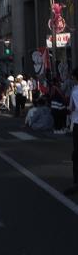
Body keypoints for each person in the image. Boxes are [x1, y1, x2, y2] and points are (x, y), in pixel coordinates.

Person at [65, 68, 78, 196]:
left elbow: (73, 107)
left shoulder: (75, 91)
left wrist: (68, 109)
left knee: (76, 154)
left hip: (77, 123)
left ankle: (76, 181)